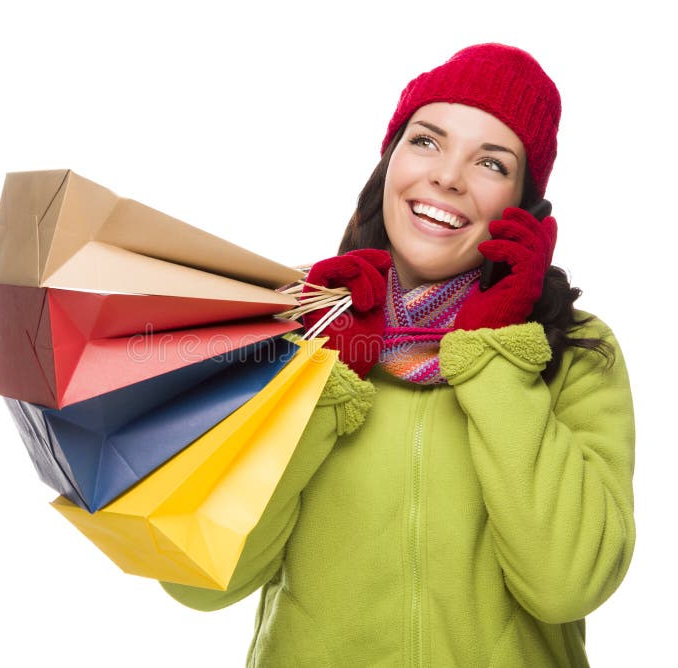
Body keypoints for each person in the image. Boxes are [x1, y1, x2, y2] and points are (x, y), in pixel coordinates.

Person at [161, 43, 635, 667]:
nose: (447, 177)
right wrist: (319, 379)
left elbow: (569, 583)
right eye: (427, 141)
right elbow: (198, 581)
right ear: (390, 163)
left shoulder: (575, 351)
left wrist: (494, 355)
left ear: (524, 204)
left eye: (491, 163)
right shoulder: (291, 326)